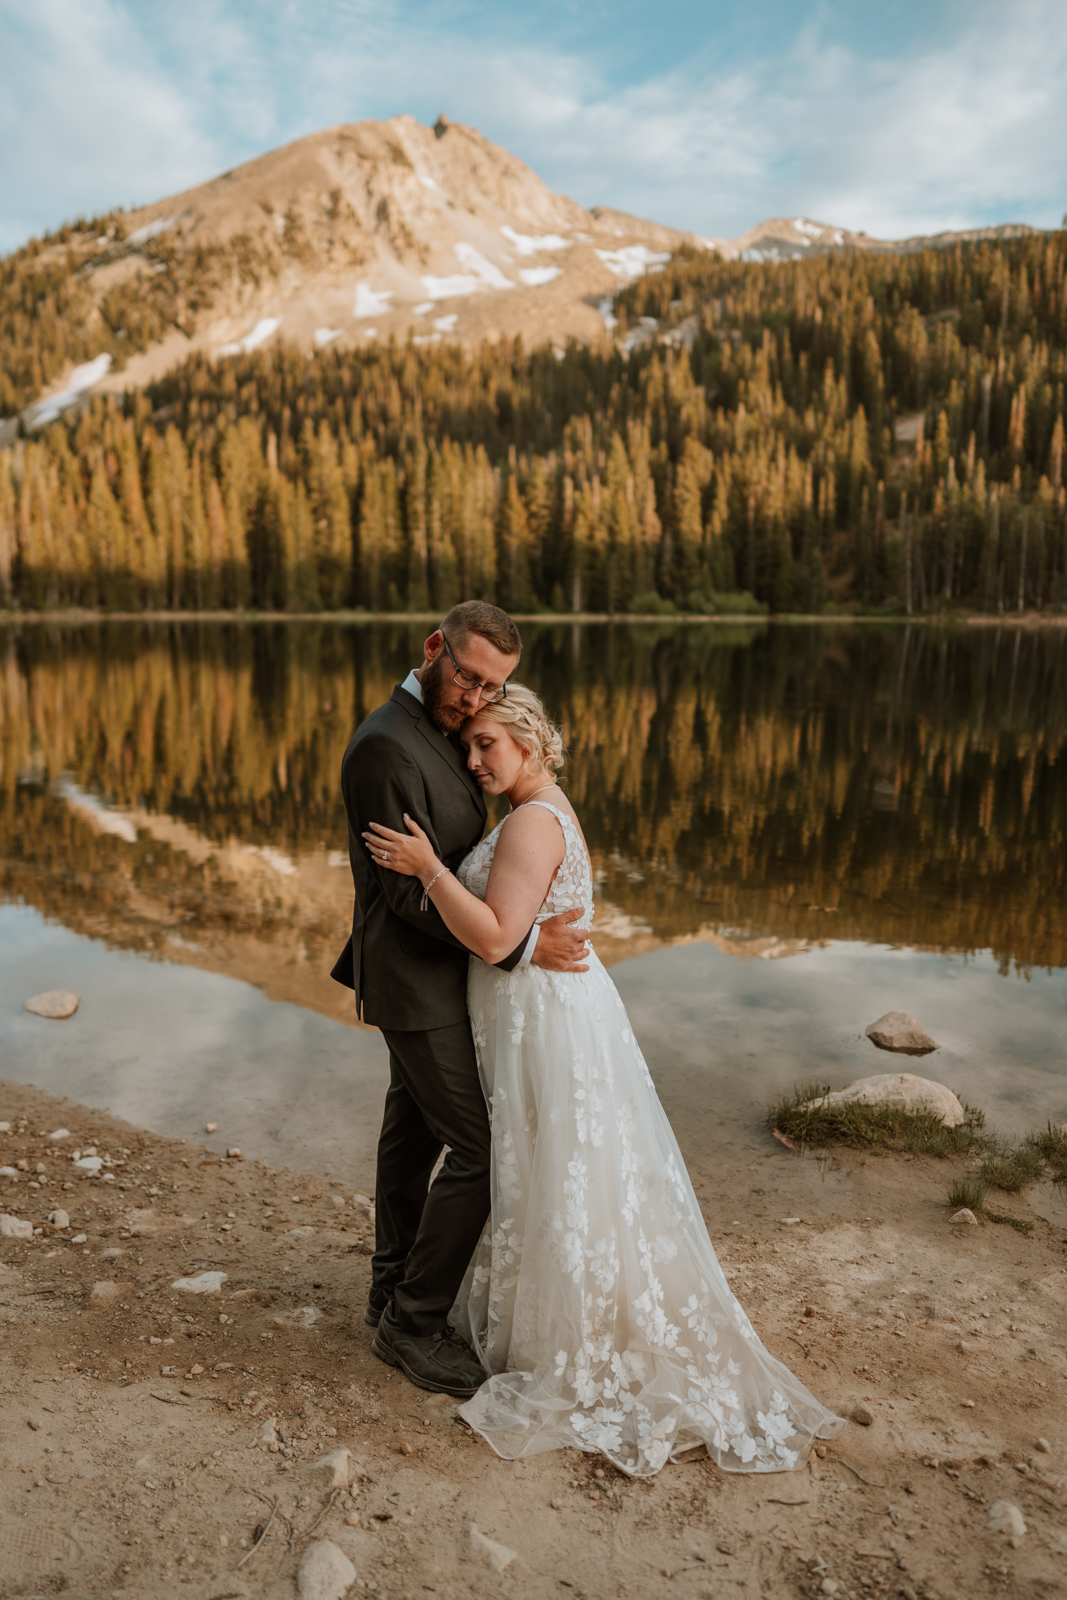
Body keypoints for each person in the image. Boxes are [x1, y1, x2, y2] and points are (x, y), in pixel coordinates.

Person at [363, 683, 846, 1476]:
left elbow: (491, 937)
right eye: (469, 744)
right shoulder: (540, 810)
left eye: (489, 744)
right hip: (541, 1009)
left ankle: (543, 1327)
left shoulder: (530, 821)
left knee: (540, 1157)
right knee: (552, 1163)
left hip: (540, 1015)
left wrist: (426, 868)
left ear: (529, 742)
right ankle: (483, 1302)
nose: (474, 758)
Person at [332, 602, 590, 1399]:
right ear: (434, 648)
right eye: (468, 677)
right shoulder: (383, 745)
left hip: (446, 975)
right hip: (412, 978)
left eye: (493, 688)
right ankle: (410, 1326)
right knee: (480, 1149)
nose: (475, 698)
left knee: (411, 1137)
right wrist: (518, 944)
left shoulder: (448, 727)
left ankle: (389, 1290)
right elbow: (402, 895)